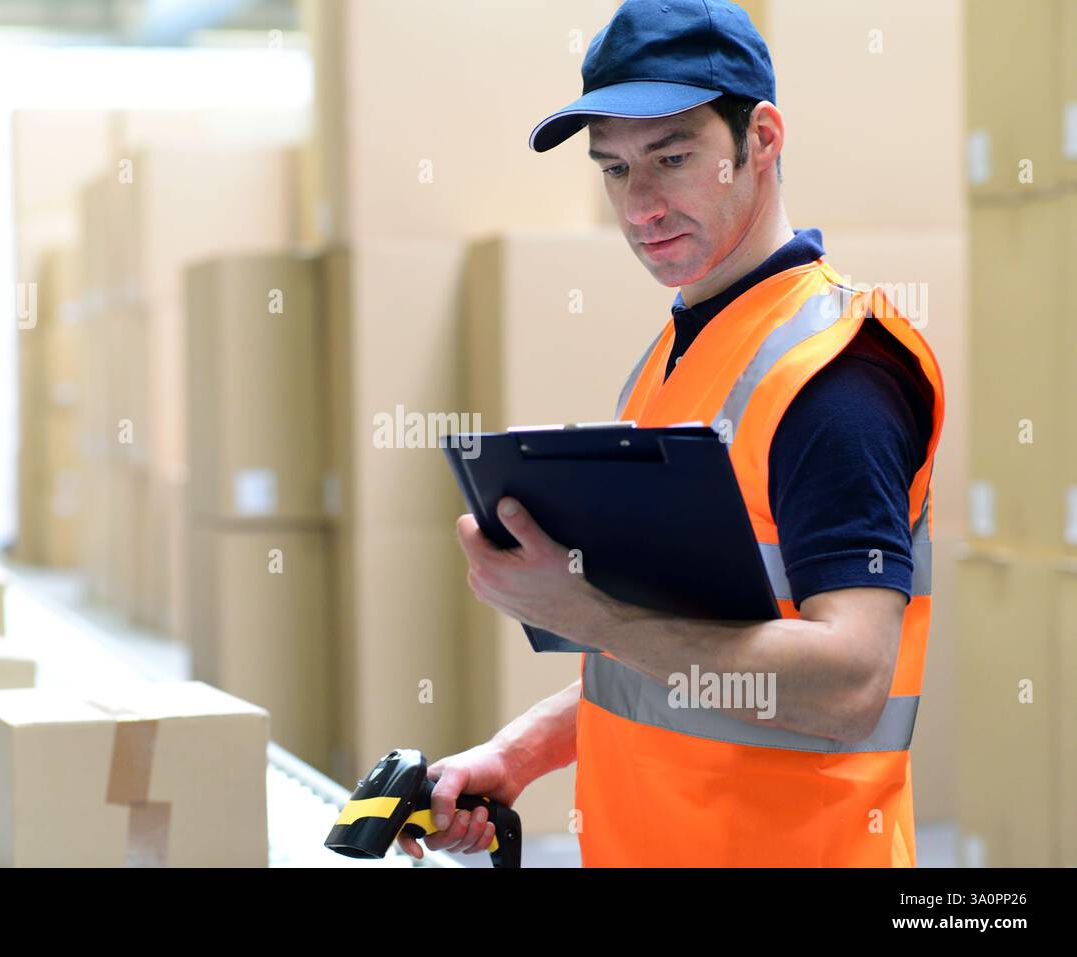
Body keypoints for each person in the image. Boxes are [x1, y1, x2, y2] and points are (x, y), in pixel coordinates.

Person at [397, 0, 944, 867]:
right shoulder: (678, 356)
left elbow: (850, 682)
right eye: (615, 169)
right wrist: (520, 752)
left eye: (673, 158)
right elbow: (679, 656)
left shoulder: (836, 377)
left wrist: (587, 613)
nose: (640, 205)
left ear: (761, 139)